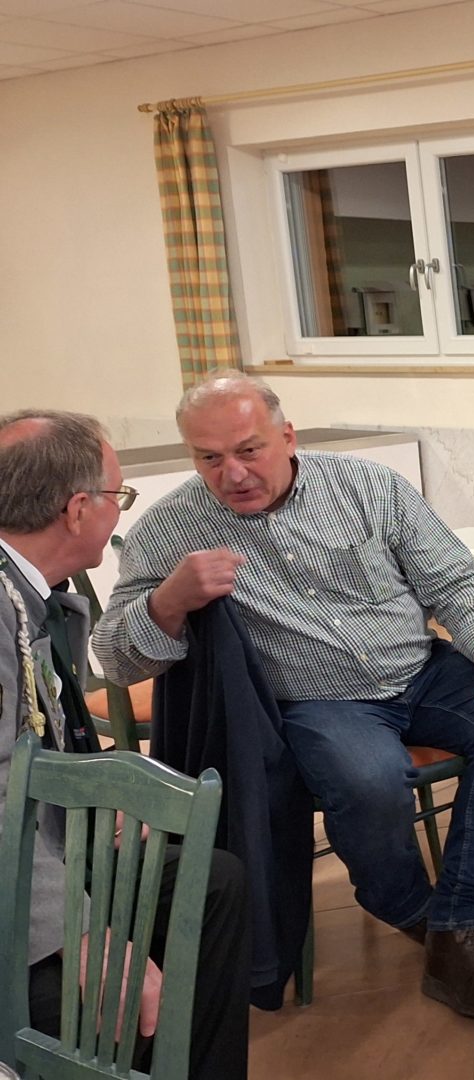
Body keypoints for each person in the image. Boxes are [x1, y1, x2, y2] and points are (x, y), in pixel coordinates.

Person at [97, 373, 474, 1021]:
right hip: (318, 701)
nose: (233, 474)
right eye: (209, 458)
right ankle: (410, 908)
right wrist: (168, 602)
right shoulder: (170, 529)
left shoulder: (368, 487)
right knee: (368, 781)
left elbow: (455, 580)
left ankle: (460, 919)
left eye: (248, 450)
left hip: (420, 668)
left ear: (287, 437)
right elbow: (117, 658)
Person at [1, 409, 251, 1077]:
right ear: (77, 510)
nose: (120, 508)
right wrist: (83, 933)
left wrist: (96, 793)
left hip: (39, 837)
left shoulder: (28, 589)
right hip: (13, 875)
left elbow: (35, 733)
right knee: (90, 1004)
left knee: (214, 881)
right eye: (118, 494)